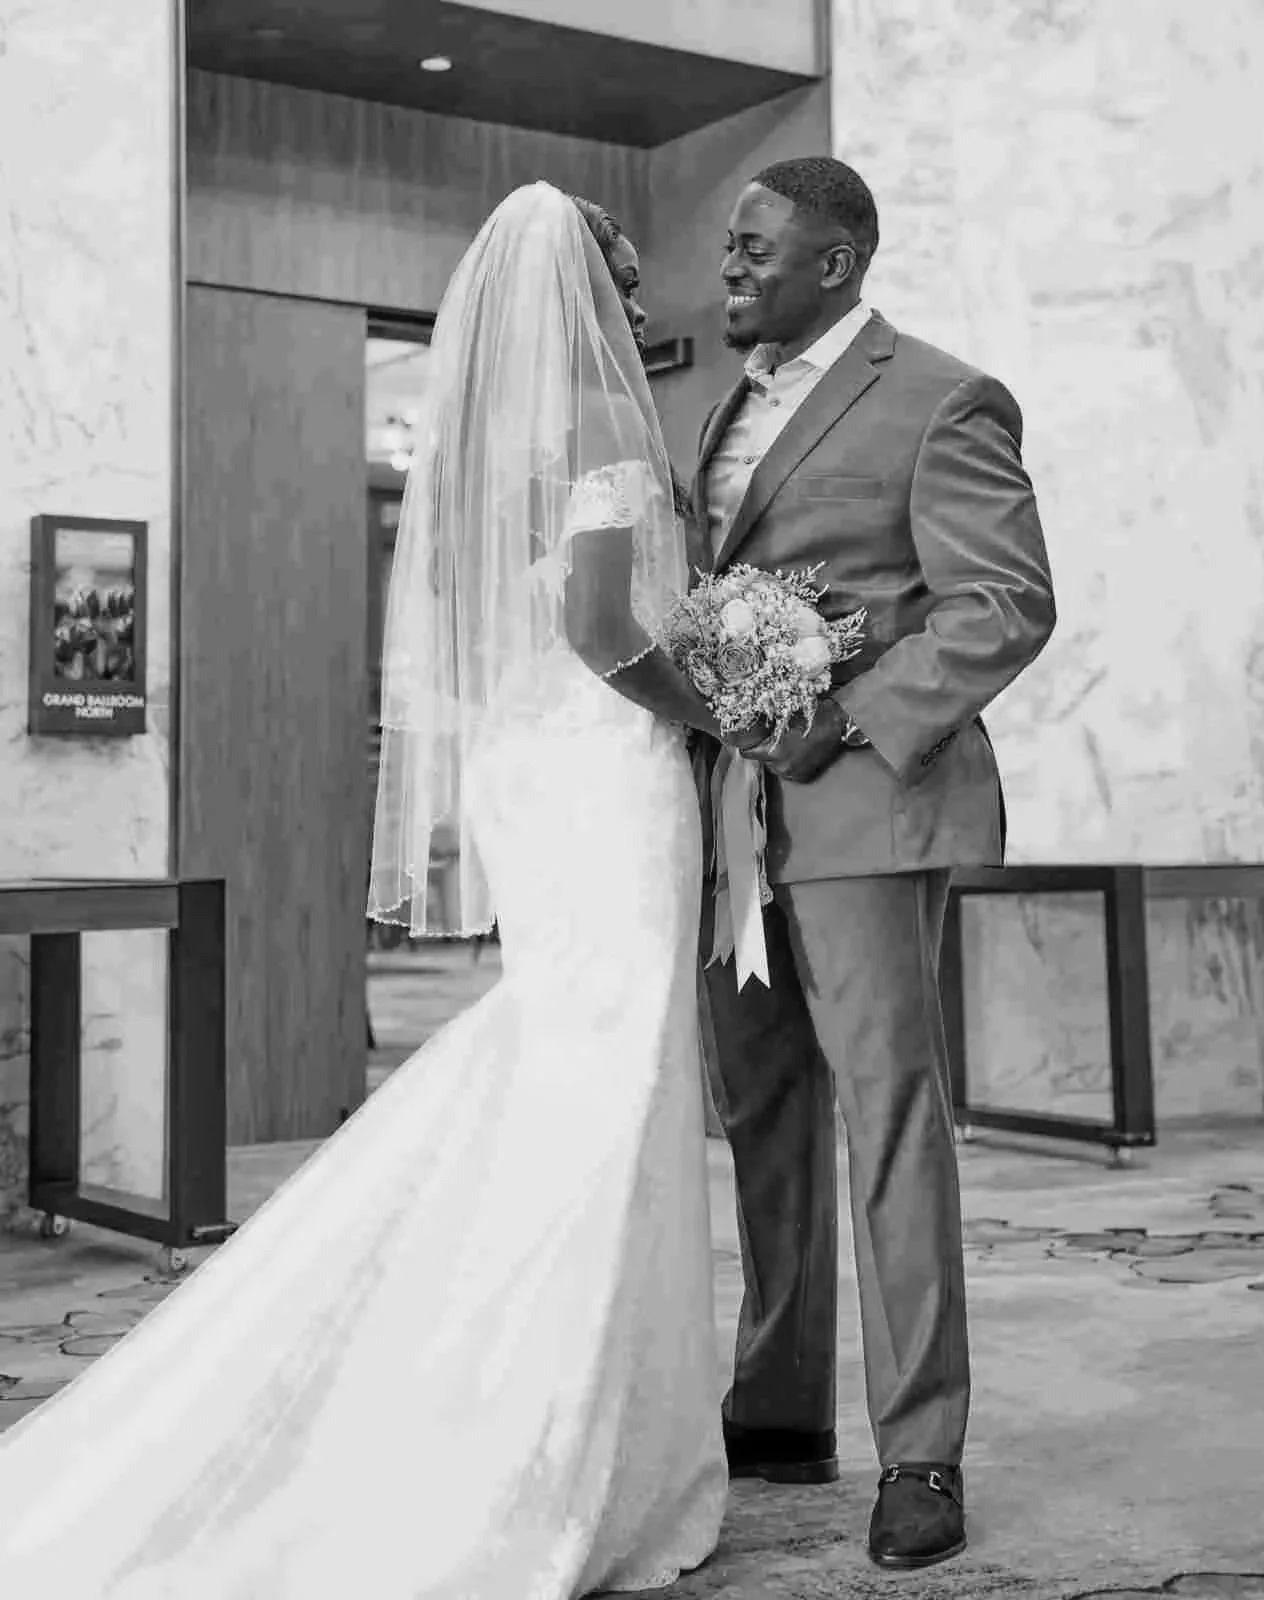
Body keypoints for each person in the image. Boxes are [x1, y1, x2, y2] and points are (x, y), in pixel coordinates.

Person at [0, 183, 727, 1597]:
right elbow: (593, 625)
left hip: (541, 770)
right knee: (614, 1075)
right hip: (606, 771)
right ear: (573, 293)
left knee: (569, 1064)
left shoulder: (505, 441)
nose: (636, 312)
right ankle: (546, 1438)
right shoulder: (599, 424)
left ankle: (572, 1408)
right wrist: (704, 699)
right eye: (619, 285)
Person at [693, 155, 1056, 1570]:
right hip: (738, 824)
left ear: (837, 261)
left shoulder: (942, 397)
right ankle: (780, 1406)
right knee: (762, 1115)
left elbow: (1002, 606)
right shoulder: (726, 408)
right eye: (728, 246)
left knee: (889, 1120)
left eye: (754, 248)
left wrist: (842, 714)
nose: (728, 267)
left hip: (869, 813)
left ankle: (922, 1450)